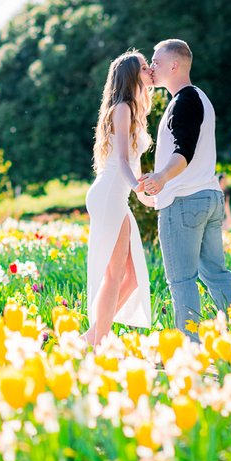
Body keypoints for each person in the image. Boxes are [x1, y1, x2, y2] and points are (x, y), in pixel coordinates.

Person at [138, 39, 231, 339]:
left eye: (155, 62)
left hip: (184, 202)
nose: (151, 68)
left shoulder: (183, 101)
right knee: (216, 275)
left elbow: (184, 152)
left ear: (174, 65)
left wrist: (161, 178)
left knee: (182, 280)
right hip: (207, 197)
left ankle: (188, 347)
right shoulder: (200, 99)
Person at [83, 50, 155, 345]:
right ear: (130, 75)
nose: (150, 69)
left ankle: (91, 336)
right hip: (111, 194)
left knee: (134, 276)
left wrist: (140, 194)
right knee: (114, 274)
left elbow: (129, 162)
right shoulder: (123, 108)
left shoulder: (132, 108)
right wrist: (139, 189)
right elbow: (124, 161)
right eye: (144, 67)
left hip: (115, 194)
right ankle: (97, 342)